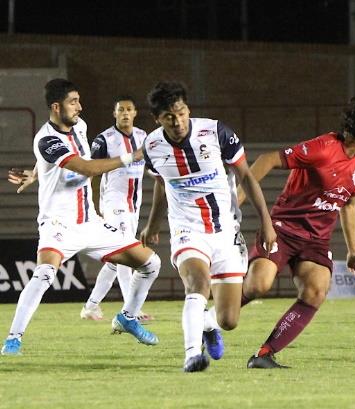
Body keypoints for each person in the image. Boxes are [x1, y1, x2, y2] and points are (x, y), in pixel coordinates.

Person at [2, 79, 162, 356]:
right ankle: (13, 339)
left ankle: (127, 317)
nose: (79, 106)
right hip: (58, 225)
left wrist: (35, 173)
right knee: (43, 274)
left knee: (151, 263)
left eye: (78, 100)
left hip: (91, 222)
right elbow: (86, 167)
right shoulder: (46, 139)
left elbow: (61, 161)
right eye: (73, 102)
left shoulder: (81, 125)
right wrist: (131, 157)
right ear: (56, 107)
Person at [239, 93, 355, 369]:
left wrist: (354, 248)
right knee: (257, 285)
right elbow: (267, 160)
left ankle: (264, 354)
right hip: (283, 229)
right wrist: (233, 204)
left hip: (315, 241)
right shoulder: (324, 147)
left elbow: (349, 204)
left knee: (316, 290)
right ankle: (207, 319)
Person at [138, 81, 276, 372]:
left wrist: (266, 222)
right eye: (169, 117)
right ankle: (191, 355)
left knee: (229, 320)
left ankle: (209, 324)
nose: (178, 121)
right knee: (198, 284)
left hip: (225, 229)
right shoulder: (151, 146)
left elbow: (247, 177)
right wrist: (152, 225)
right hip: (187, 230)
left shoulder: (216, 132)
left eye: (181, 112)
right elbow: (161, 186)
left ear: (188, 108)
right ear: (157, 119)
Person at [77, 96, 154, 321]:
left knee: (114, 260)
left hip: (134, 204)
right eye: (121, 110)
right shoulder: (104, 140)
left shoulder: (143, 137)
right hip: (113, 202)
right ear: (115, 113)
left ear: (135, 112)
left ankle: (91, 306)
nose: (125, 113)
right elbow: (90, 171)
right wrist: (91, 204)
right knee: (126, 250)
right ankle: (131, 308)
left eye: (129, 109)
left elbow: (151, 166)